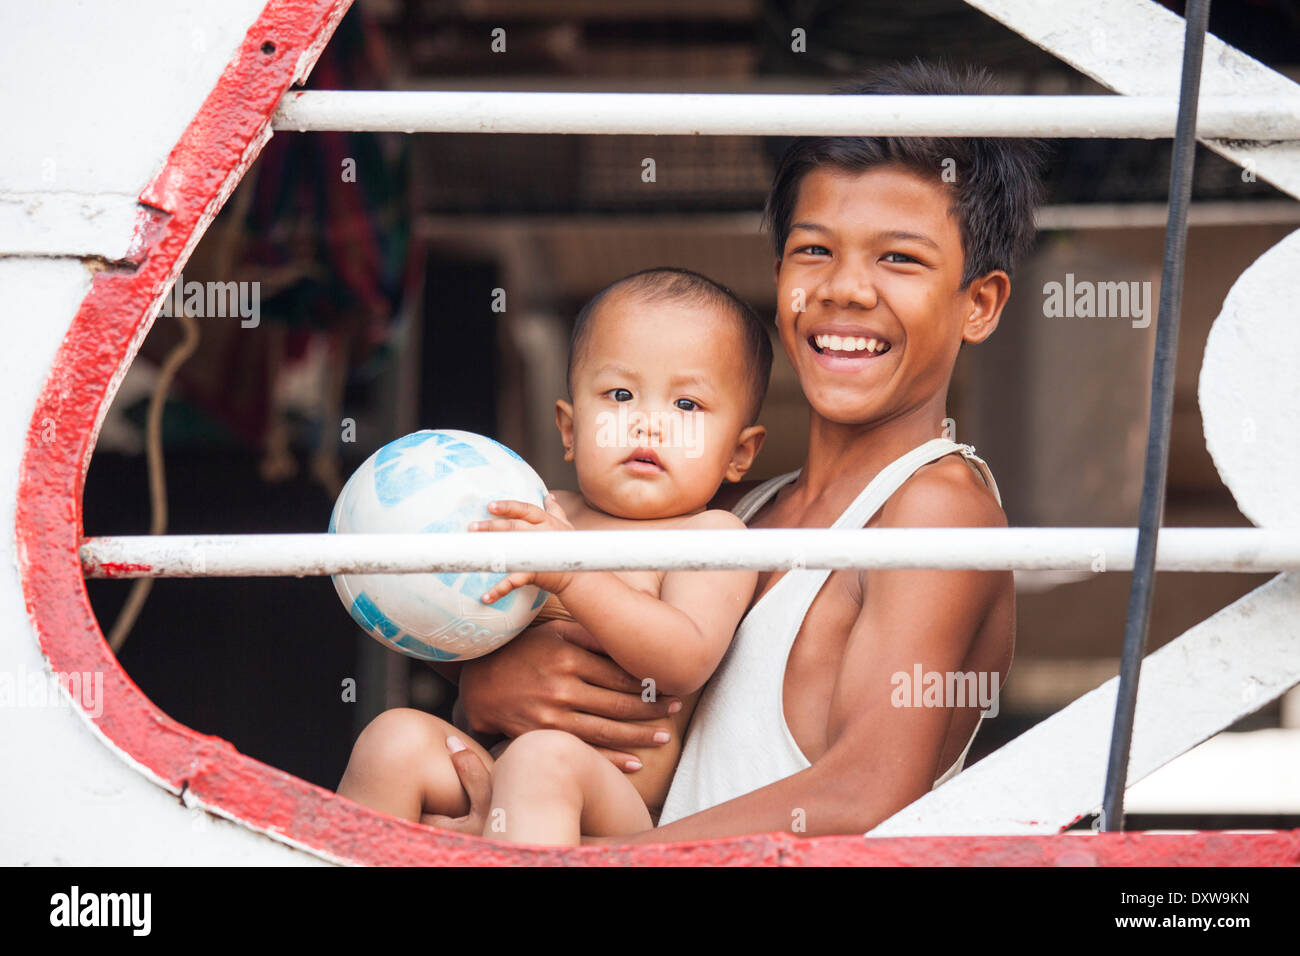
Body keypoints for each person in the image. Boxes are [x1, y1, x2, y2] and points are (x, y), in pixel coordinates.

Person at [451, 61, 1042, 842]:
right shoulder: (733, 509)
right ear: (779, 276)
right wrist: (487, 691)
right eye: (814, 251)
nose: (844, 290)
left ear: (980, 304)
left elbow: (863, 794)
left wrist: (607, 862)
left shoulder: (939, 509)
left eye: (898, 258)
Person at [336, 266, 772, 843]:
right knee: (392, 739)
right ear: (569, 428)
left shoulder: (713, 537)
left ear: (740, 453)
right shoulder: (540, 506)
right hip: (489, 770)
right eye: (620, 395)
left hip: (606, 802)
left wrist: (573, 576)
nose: (648, 423)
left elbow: (683, 658)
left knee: (542, 758)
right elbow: (464, 622)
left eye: (687, 405)